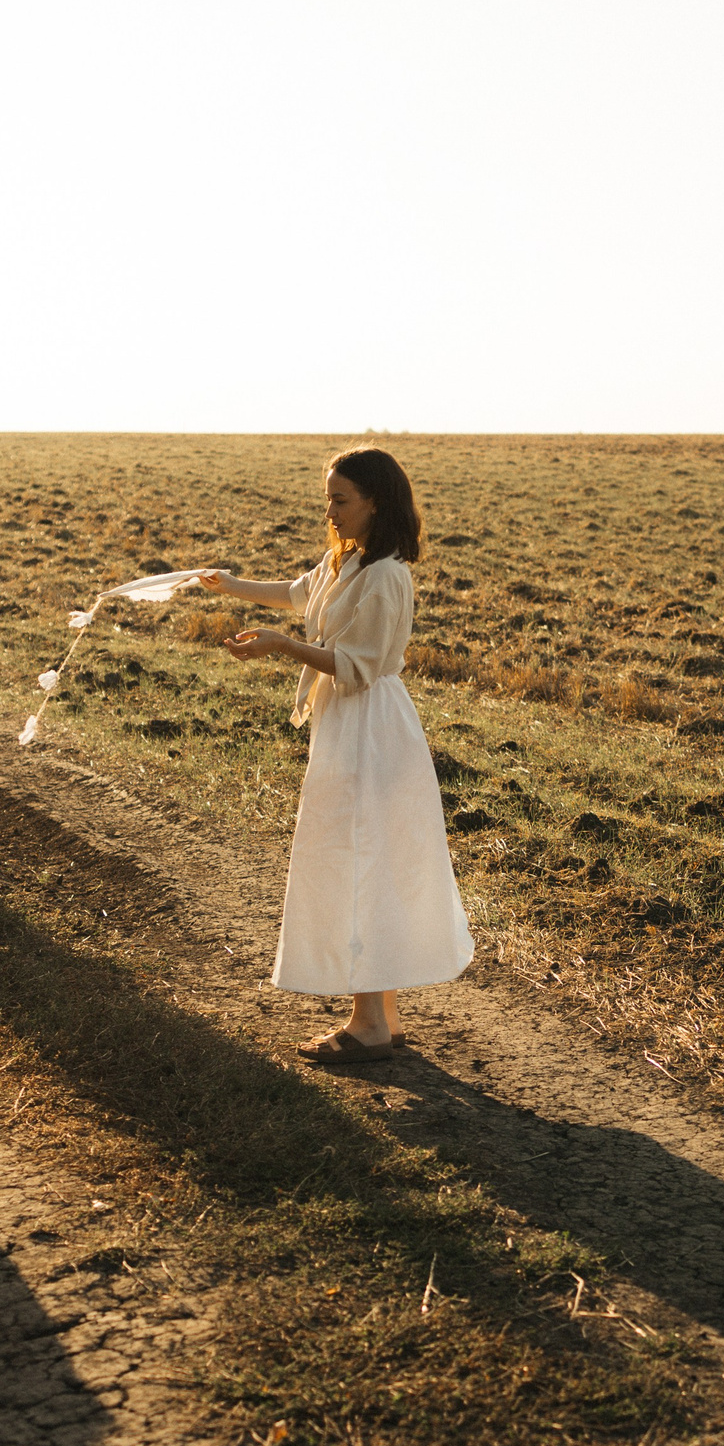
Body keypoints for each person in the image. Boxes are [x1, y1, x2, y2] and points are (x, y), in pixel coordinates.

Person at [203, 446, 472, 1063]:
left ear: (374, 501)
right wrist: (229, 583)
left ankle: (371, 1024)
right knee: (358, 859)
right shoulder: (345, 560)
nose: (330, 509)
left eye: (340, 499)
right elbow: (301, 593)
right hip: (345, 726)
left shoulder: (386, 575)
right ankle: (376, 1018)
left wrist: (279, 648)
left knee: (361, 860)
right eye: (328, 497)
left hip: (372, 728)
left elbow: (357, 667)